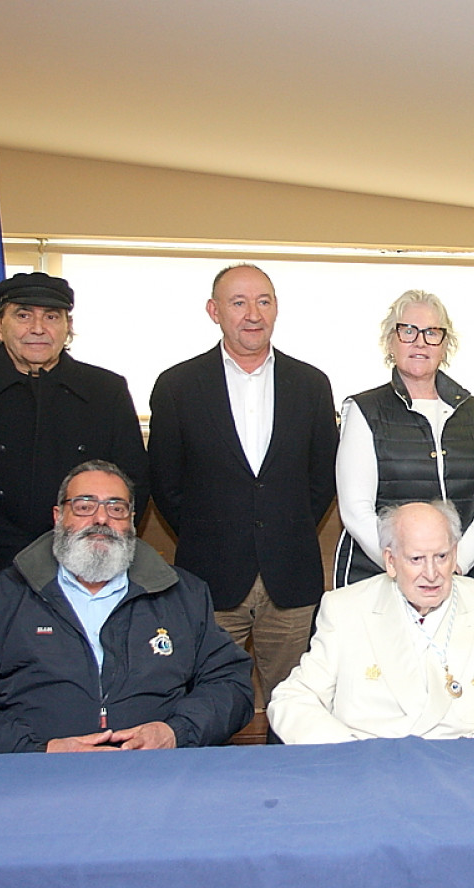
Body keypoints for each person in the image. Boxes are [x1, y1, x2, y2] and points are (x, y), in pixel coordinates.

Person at [0, 460, 254, 753]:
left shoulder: (182, 595)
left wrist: (174, 733)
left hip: (159, 773)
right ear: (58, 516)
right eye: (84, 506)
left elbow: (231, 685)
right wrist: (37, 750)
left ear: (132, 521)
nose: (101, 519)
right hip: (34, 781)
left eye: (116, 507)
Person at [148, 264, 338, 707]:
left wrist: (283, 527)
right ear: (214, 311)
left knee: (296, 705)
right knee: (205, 704)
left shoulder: (311, 384)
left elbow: (322, 476)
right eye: (238, 302)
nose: (253, 314)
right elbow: (165, 482)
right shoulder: (177, 386)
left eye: (264, 301)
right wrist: (208, 530)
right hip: (210, 578)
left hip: (291, 576)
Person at [0, 271, 149, 588]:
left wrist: (78, 551)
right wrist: (26, 556)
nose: (38, 329)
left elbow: (132, 484)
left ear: (68, 327)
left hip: (84, 570)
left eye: (51, 316)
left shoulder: (106, 390)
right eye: (23, 315)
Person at [267, 501, 474, 742]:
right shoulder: (345, 608)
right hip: (370, 768)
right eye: (416, 559)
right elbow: (291, 700)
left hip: (464, 767)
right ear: (390, 561)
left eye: (441, 557)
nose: (431, 573)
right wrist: (348, 753)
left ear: (455, 554)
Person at [334, 289, 474, 588]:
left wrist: (452, 566)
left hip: (464, 578)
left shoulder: (471, 409)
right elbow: (355, 510)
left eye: (431, 333)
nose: (420, 342)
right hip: (381, 579)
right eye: (408, 331)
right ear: (390, 341)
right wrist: (407, 571)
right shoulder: (365, 410)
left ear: (445, 344)